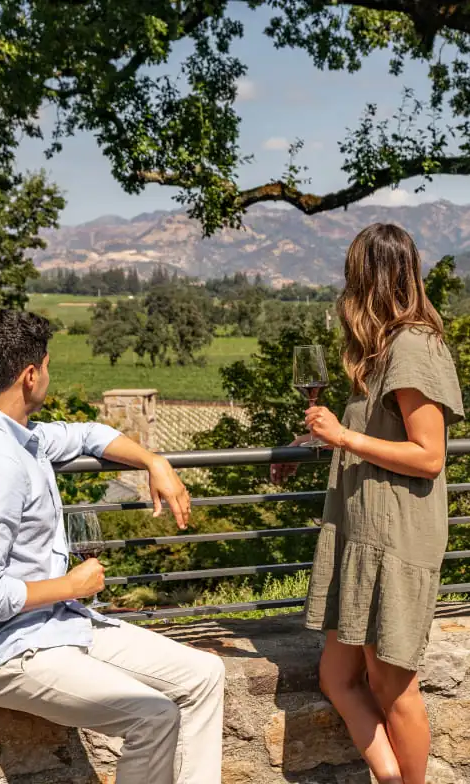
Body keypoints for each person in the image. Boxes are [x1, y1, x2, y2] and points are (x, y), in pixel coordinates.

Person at [0, 310, 225, 784]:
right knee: (153, 716)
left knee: (205, 675)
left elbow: (88, 434)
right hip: (7, 652)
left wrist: (154, 460)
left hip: (57, 626)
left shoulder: (14, 434)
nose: (49, 375)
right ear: (30, 376)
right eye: (48, 366)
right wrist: (71, 585)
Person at [272, 224, 464, 784]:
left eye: (351, 274)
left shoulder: (412, 347)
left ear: (369, 278)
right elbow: (373, 433)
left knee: (392, 686)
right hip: (363, 532)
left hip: (394, 537)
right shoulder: (381, 349)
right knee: (337, 676)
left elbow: (429, 455)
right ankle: (390, 776)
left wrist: (344, 437)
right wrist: (317, 441)